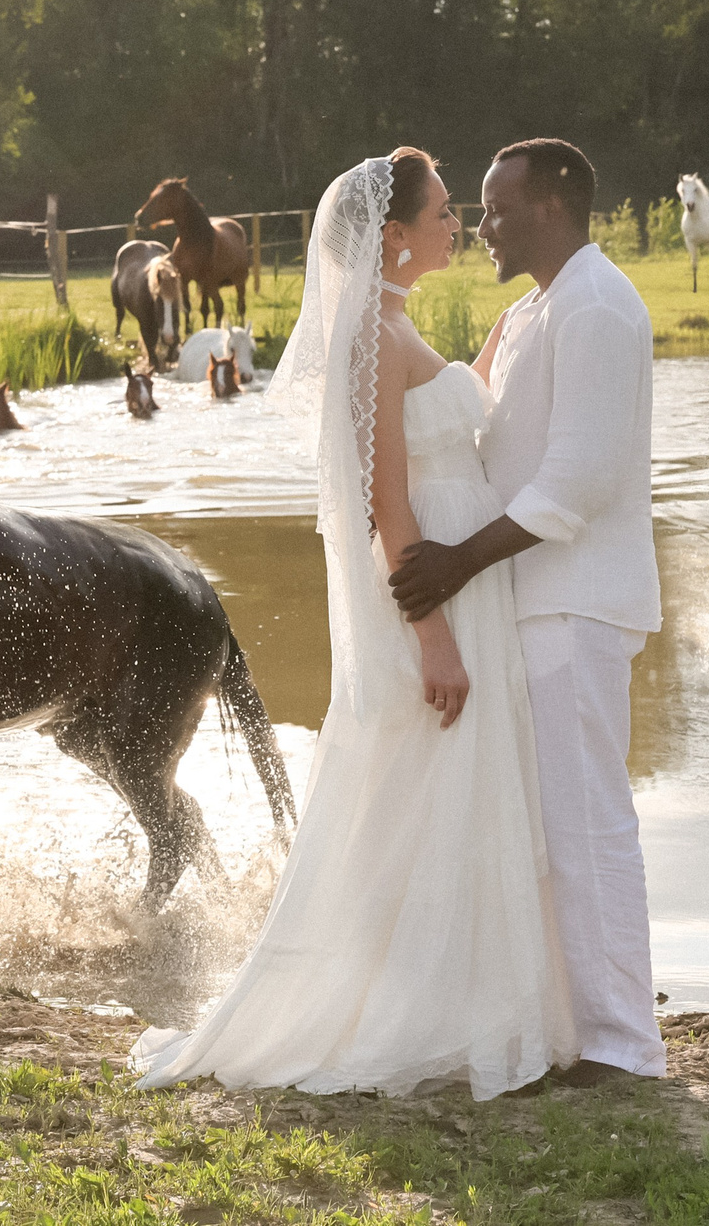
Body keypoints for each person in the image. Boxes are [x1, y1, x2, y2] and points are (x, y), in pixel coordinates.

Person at [132, 148, 577, 1100]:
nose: (458, 226)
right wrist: (434, 637)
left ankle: (459, 994)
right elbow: (385, 505)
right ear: (394, 235)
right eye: (446, 212)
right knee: (415, 793)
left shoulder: (395, 326)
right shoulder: (371, 341)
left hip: (462, 589)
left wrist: (491, 356)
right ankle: (399, 1008)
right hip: (435, 598)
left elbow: (439, 433)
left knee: (442, 796)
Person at [388, 137, 665, 1085]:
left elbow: (578, 481)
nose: (484, 223)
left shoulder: (595, 305)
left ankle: (625, 1044)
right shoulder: (536, 307)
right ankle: (576, 1023)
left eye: (498, 207)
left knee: (589, 823)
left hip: (576, 604)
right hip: (534, 603)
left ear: (551, 203)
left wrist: (460, 559)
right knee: (553, 826)